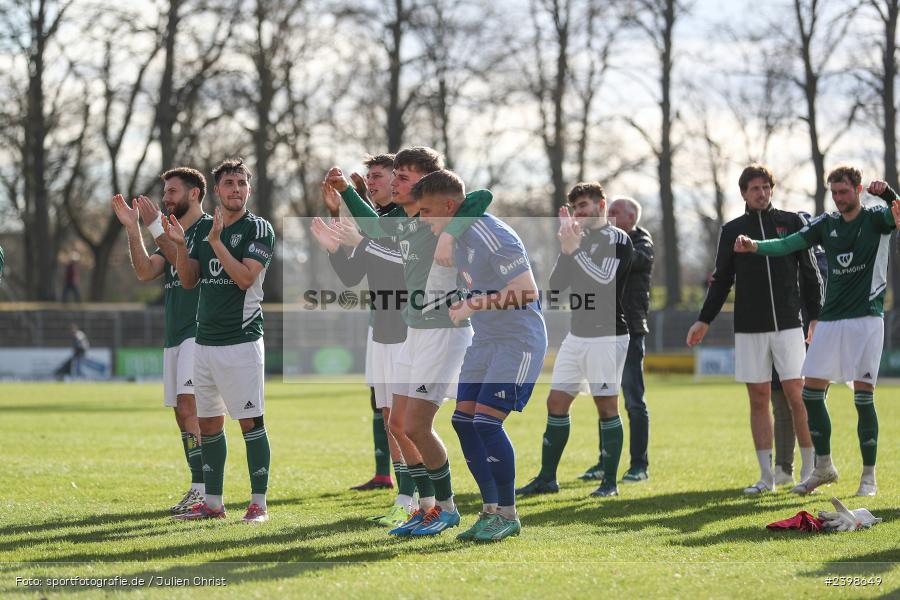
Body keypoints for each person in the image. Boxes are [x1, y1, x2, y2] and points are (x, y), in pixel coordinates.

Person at [327, 146, 491, 536]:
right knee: (398, 424)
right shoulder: (403, 219)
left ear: (425, 182)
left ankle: (445, 509)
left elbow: (483, 197)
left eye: (403, 177)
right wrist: (347, 194)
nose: (395, 182)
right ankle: (427, 505)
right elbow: (372, 226)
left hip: (442, 334)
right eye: (395, 175)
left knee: (417, 426)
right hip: (414, 332)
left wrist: (450, 235)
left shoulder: (450, 217)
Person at [734, 165, 899, 496]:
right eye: (834, 193)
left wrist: (890, 193)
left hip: (866, 318)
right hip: (830, 319)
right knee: (810, 393)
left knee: (863, 398)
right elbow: (790, 243)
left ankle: (868, 478)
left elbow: (898, 213)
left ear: (858, 189)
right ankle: (824, 467)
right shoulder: (827, 223)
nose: (838, 199)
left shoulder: (877, 218)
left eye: (844, 192)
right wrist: (756, 246)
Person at [417, 169, 547, 541]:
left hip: (517, 341)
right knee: (463, 421)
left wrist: (474, 302)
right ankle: (489, 511)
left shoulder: (492, 234)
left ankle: (507, 514)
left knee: (488, 423)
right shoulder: (455, 234)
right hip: (485, 341)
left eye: (427, 211)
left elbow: (527, 291)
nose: (422, 219)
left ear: (448, 206)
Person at [686, 164, 820, 494]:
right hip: (748, 328)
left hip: (790, 326)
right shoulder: (731, 230)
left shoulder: (792, 223)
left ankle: (810, 471)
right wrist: (704, 319)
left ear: (772, 189)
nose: (761, 193)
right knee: (758, 399)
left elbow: (810, 274)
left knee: (797, 396)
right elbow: (721, 279)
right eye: (754, 188)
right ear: (744, 193)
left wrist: (815, 316)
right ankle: (766, 477)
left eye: (766, 187)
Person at [311, 154, 420, 527]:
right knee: (390, 418)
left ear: (397, 180)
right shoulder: (377, 221)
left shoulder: (407, 217)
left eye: (379, 176)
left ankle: (423, 495)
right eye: (369, 177)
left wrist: (352, 216)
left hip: (409, 330)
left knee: (408, 419)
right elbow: (350, 275)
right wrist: (333, 246)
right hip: (381, 331)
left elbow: (403, 263)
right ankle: (406, 497)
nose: (371, 182)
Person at [166, 158, 275, 522]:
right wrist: (182, 246)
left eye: (241, 183)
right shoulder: (201, 231)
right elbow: (188, 279)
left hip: (241, 342)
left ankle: (259, 503)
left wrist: (217, 242)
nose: (235, 190)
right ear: (217, 190)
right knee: (209, 424)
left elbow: (245, 278)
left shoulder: (258, 228)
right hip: (205, 343)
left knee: (250, 423)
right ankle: (213, 504)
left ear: (249, 189)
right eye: (229, 183)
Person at [517, 181, 633, 498]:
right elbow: (556, 287)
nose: (580, 212)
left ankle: (609, 483)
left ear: (601, 205)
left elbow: (603, 281)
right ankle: (547, 478)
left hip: (608, 336)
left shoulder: (617, 238)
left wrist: (575, 250)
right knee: (555, 402)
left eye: (585, 205)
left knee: (607, 406)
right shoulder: (576, 240)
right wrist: (567, 251)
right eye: (576, 207)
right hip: (577, 334)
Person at [112, 167, 211, 514]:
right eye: (165, 192)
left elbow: (187, 271)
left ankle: (207, 491)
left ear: (194, 193)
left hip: (200, 332)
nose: (165, 198)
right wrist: (132, 227)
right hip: (175, 333)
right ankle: (198, 487)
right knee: (180, 413)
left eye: (172, 191)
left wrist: (155, 228)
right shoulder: (169, 231)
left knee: (191, 408)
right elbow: (144, 271)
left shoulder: (208, 228)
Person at [578, 195, 653, 484]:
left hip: (631, 331)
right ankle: (604, 462)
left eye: (615, 212)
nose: (607, 215)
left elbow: (632, 260)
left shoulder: (640, 244)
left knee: (634, 401)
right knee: (605, 399)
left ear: (632, 219)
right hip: (603, 332)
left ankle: (639, 465)